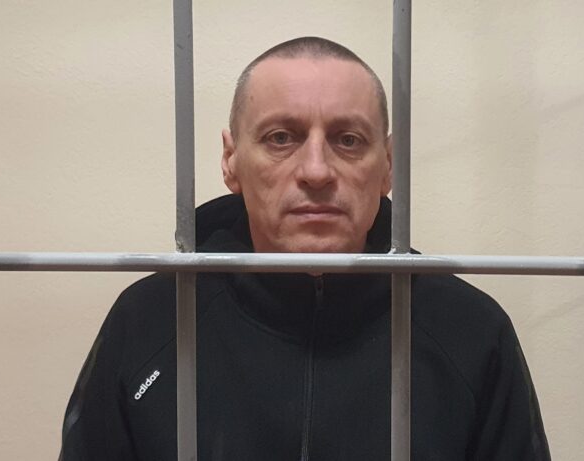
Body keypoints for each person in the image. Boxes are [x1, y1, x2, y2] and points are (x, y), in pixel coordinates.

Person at [59, 36, 550, 460]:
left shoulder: (470, 331)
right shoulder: (150, 320)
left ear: (388, 165)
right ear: (231, 160)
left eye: (348, 140)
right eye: (281, 138)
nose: (316, 171)